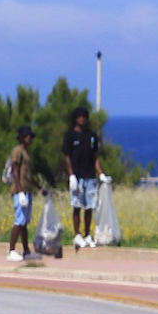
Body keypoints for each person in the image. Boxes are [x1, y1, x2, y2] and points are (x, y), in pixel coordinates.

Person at [61, 106, 103, 250]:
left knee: (89, 207)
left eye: (84, 116)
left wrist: (101, 173)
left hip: (90, 176)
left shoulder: (91, 136)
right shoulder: (70, 136)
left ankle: (87, 234)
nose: (82, 119)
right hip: (77, 177)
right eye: (79, 117)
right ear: (75, 119)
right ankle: (77, 234)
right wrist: (71, 175)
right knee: (77, 206)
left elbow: (95, 157)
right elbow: (67, 157)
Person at [5, 125, 36, 262]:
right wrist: (20, 191)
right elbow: (16, 171)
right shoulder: (17, 151)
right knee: (19, 220)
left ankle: (26, 250)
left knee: (24, 222)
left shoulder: (26, 152)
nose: (29, 138)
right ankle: (11, 250)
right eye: (27, 136)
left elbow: (28, 175)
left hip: (27, 189)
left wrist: (38, 188)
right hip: (20, 191)